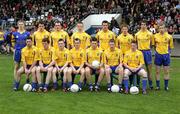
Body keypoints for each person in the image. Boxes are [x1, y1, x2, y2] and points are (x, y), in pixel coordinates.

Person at [154, 24, 174, 91]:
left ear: (165, 28)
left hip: (166, 55)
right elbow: (154, 45)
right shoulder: (155, 36)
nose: (161, 29)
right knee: (157, 72)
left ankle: (166, 86)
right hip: (158, 55)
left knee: (166, 71)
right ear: (158, 29)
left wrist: (169, 53)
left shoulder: (169, 36)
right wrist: (157, 52)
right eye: (160, 28)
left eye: (162, 28)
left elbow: (171, 47)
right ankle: (158, 86)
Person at [12, 20, 31, 90]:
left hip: (25, 52)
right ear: (17, 25)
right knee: (16, 67)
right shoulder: (14, 33)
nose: (20, 25)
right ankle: (15, 81)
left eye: (22, 24)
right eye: (19, 24)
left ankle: (27, 79)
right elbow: (12, 42)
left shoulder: (27, 33)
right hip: (17, 52)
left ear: (24, 25)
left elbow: (30, 42)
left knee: (25, 66)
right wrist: (14, 50)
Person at [135, 20, 154, 89]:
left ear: (146, 26)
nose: (143, 26)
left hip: (147, 52)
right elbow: (135, 43)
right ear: (140, 25)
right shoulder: (137, 34)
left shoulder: (150, 34)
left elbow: (152, 44)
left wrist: (147, 49)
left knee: (149, 70)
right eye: (142, 24)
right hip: (139, 52)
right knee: (139, 69)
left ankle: (151, 84)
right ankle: (137, 84)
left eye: (144, 25)